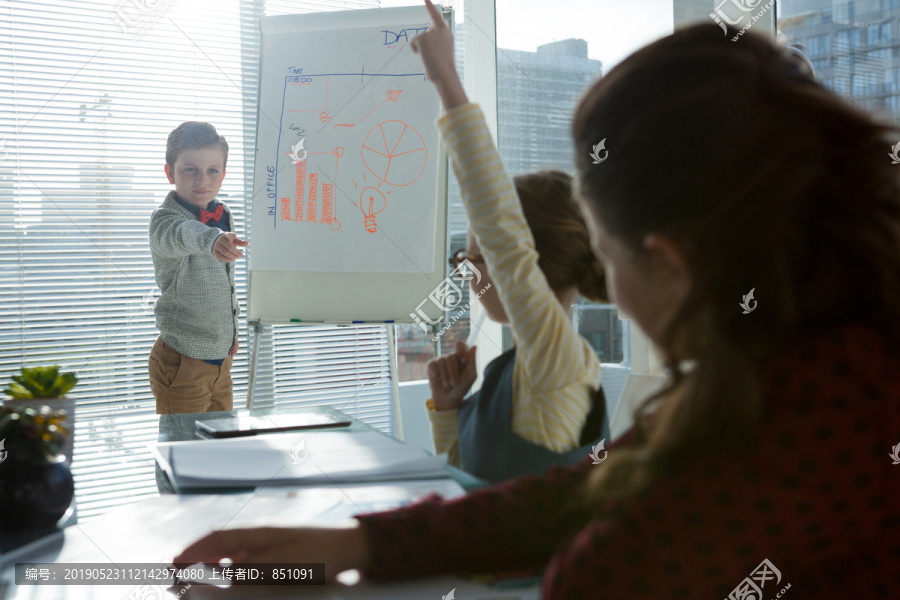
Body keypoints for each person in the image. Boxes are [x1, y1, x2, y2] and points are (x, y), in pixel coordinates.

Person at [174, 6, 900, 598]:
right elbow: (575, 491)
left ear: (671, 266)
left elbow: (593, 551)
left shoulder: (805, 419)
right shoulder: (777, 369)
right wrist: (358, 543)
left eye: (609, 261)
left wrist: (451, 90)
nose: (606, 287)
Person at [428, 169, 609, 483]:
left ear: (520, 267)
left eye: (477, 259)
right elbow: (467, 485)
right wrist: (448, 409)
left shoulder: (556, 366)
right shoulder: (515, 368)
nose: (466, 274)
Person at [148, 121, 248, 414]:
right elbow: (182, 233)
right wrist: (212, 239)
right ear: (170, 173)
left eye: (212, 170)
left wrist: (230, 334)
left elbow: (222, 285)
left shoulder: (224, 212)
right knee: (183, 452)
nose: (202, 180)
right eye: (190, 169)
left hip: (221, 359)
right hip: (183, 359)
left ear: (223, 175)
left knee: (220, 451)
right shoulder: (164, 220)